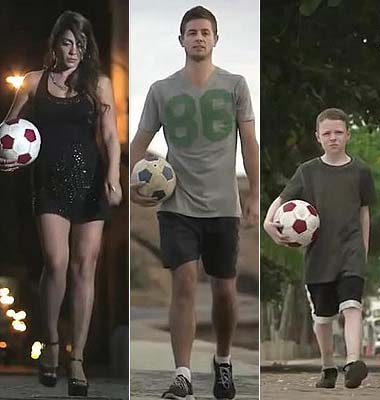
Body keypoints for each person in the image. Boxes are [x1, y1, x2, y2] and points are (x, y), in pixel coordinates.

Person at [129, 6, 259, 400]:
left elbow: (249, 143)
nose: (198, 37)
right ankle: (182, 375)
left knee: (223, 292)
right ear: (181, 39)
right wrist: (134, 183)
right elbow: (138, 143)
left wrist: (253, 193)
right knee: (183, 283)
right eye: (191, 32)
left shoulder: (236, 85)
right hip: (177, 205)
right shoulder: (161, 89)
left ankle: (222, 360)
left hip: (222, 206)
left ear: (215, 39)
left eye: (205, 32)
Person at [0, 10, 122, 396]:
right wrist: (5, 156)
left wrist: (113, 175)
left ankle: (77, 359)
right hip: (48, 184)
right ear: (55, 45)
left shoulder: (100, 84)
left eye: (80, 45)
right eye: (67, 43)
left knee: (85, 267)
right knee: (56, 263)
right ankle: (52, 343)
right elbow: (8, 129)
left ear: (87, 50)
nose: (73, 51)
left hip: (89, 182)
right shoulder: (34, 83)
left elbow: (111, 136)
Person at [263, 108, 375, 389]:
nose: (333, 138)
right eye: (327, 133)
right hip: (319, 256)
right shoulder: (307, 171)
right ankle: (328, 367)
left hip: (350, 251)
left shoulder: (361, 170)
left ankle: (352, 362)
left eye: (338, 132)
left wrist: (362, 250)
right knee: (323, 318)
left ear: (348, 134)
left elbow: (364, 213)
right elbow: (282, 200)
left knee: (352, 305)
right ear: (318, 137)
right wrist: (268, 221)